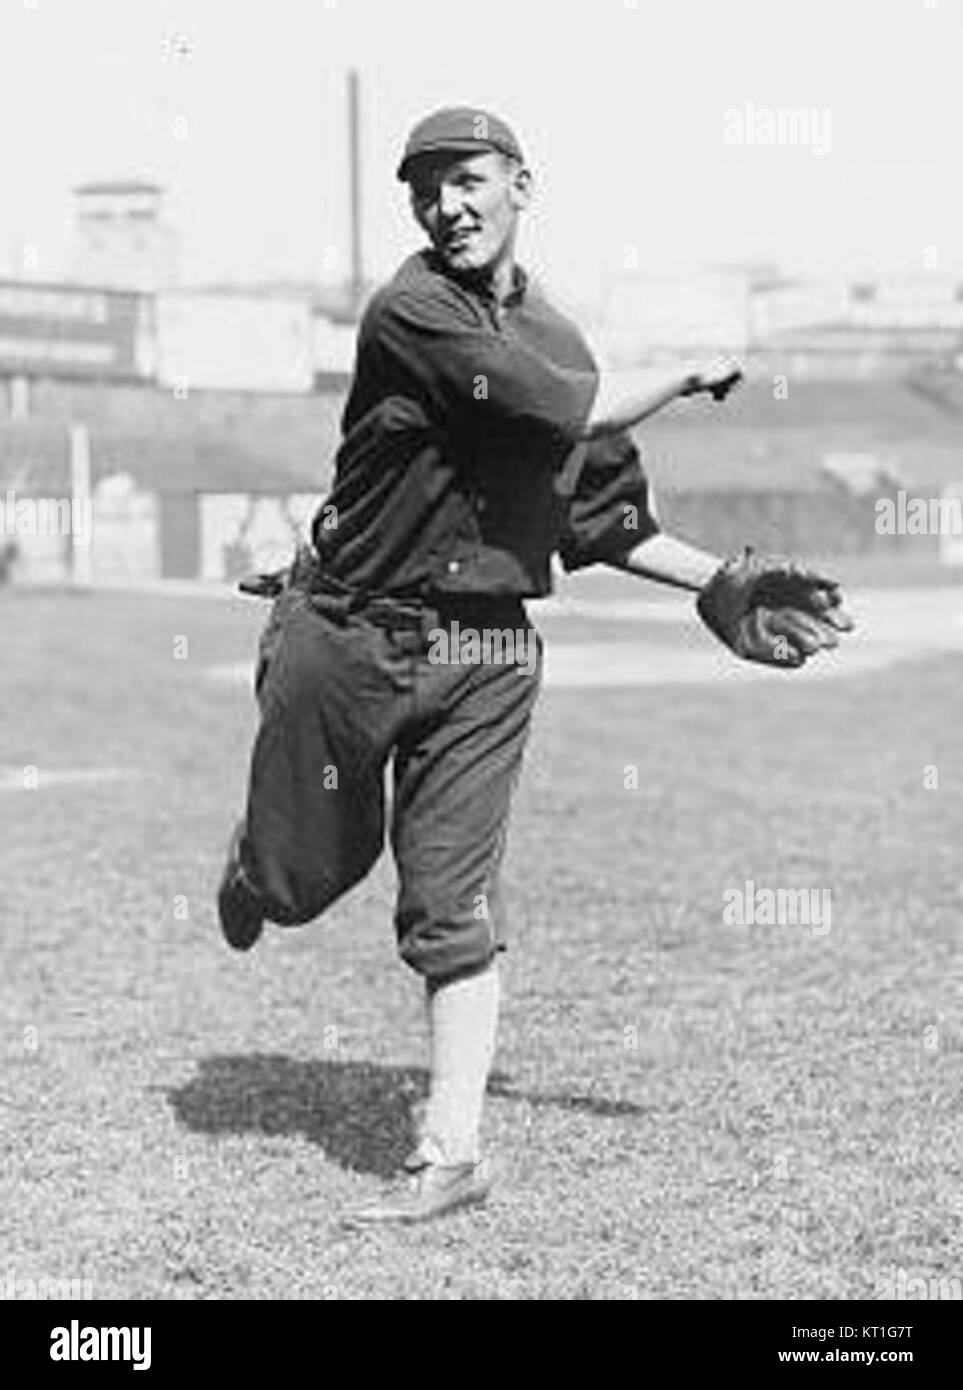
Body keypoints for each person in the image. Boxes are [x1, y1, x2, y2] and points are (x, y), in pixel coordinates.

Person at [219, 107, 849, 1227]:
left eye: (467, 181)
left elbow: (602, 521)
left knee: (450, 901)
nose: (446, 206)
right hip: (353, 631)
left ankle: (450, 1151)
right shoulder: (413, 308)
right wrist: (687, 370)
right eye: (425, 190)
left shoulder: (555, 335)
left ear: (521, 184)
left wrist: (720, 582)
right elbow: (572, 405)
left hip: (484, 649)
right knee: (301, 875)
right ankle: (262, 864)